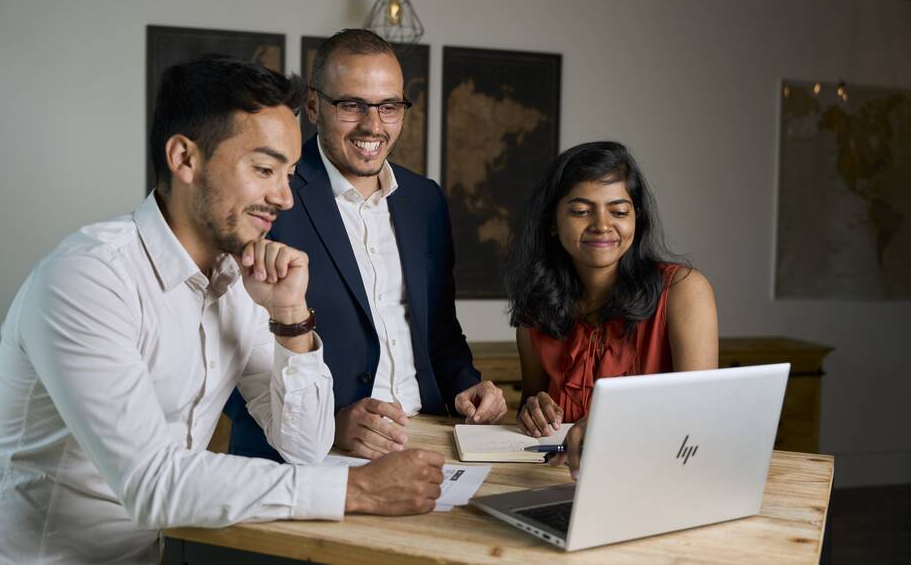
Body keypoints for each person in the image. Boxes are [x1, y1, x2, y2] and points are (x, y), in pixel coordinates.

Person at [0, 56, 444, 565]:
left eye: (288, 173)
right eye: (264, 169)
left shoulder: (241, 282)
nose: (285, 198)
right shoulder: (87, 279)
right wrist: (357, 490)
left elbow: (303, 445)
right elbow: (153, 483)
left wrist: (290, 319)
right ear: (184, 159)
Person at [225, 29, 506, 462]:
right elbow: (224, 351)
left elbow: (438, 329)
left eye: (389, 106)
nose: (373, 125)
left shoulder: (425, 200)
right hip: (309, 455)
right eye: (352, 105)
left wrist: (466, 384)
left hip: (426, 438)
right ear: (314, 107)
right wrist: (328, 424)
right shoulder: (268, 195)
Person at [503, 141, 718, 477]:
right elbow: (536, 405)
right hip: (560, 482)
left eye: (618, 211)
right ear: (552, 222)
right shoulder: (535, 313)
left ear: (637, 220)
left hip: (660, 479)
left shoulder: (684, 291)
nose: (602, 225)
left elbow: (701, 417)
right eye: (580, 211)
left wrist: (615, 422)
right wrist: (532, 409)